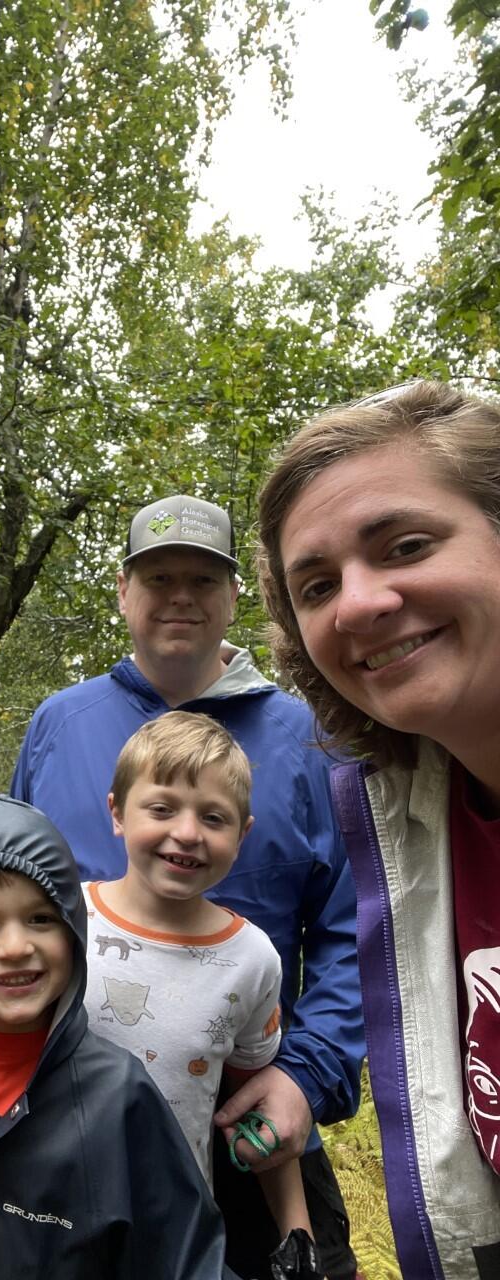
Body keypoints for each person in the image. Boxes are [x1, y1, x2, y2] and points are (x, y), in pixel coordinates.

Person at [10, 494, 363, 1280]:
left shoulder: (309, 740)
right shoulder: (60, 724)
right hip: (62, 1121)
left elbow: (353, 928)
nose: (180, 596)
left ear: (234, 596)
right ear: (123, 590)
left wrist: (306, 1074)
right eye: (158, 575)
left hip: (250, 1120)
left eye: (203, 579)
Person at [256, 379, 500, 1280]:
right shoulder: (407, 820)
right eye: (315, 585)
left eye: (406, 545)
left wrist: (307, 1069)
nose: (356, 604)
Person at [0, 794, 236, 1279]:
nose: (15, 947)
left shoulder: (119, 1097)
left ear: (74, 937)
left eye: (41, 919)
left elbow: (188, 1261)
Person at [85, 710, 319, 1267]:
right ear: (117, 812)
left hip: (175, 1235)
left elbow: (255, 1104)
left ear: (243, 834)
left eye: (214, 818)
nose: (187, 833)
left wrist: (298, 1234)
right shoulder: (60, 919)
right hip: (45, 1212)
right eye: (162, 808)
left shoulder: (253, 960)